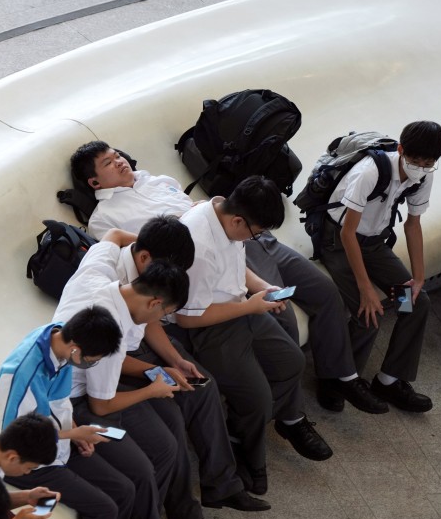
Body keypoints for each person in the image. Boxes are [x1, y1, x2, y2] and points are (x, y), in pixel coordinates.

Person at [73, 140, 387, 415]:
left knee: (324, 293)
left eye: (116, 155)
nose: (118, 161)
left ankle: (340, 377)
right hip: (207, 251)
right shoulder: (105, 217)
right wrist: (186, 224)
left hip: (245, 235)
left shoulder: (157, 180)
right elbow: (144, 249)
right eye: (108, 163)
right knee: (283, 317)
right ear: (95, 182)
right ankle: (291, 414)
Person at [52, 247, 220, 519]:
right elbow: (101, 404)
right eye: (162, 314)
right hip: (78, 404)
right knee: (145, 464)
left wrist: (154, 371)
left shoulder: (111, 287)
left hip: (94, 389)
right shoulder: (110, 325)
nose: (156, 322)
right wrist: (150, 390)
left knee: (167, 442)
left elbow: (112, 365)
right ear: (155, 303)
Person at [95, 218, 270, 513]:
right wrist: (157, 373)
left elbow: (149, 319)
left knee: (204, 387)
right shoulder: (106, 281)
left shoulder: (143, 265)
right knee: (172, 418)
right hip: (115, 357)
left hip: (143, 339)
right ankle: (182, 510)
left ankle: (222, 485)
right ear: (144, 258)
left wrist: (176, 360)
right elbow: (109, 356)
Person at [174, 176, 333, 496]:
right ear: (238, 220)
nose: (254, 238)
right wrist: (249, 307)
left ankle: (241, 430)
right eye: (254, 232)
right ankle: (249, 455)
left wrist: (263, 287)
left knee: (291, 361)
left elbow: (234, 264)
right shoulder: (198, 243)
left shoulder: (220, 210)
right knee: (258, 397)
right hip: (210, 328)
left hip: (239, 308)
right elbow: (188, 318)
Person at [317, 121, 441, 412]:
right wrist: (365, 289)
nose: (421, 167)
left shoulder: (423, 176)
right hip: (339, 244)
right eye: (415, 160)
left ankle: (388, 380)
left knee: (415, 303)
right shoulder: (370, 172)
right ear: (401, 150)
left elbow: (413, 225)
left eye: (429, 163)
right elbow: (346, 233)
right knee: (368, 311)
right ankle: (335, 379)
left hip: (374, 245)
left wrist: (418, 278)